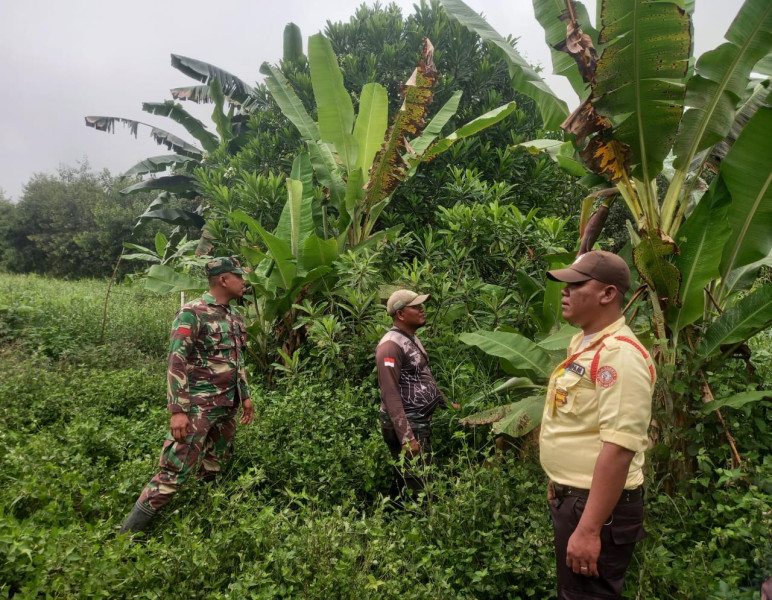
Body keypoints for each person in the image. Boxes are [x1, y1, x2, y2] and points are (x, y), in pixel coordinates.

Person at [540, 250, 655, 599]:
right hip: (575, 499)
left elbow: (619, 449)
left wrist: (589, 529)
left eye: (575, 284)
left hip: (597, 510)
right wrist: (558, 480)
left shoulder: (619, 355)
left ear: (607, 294)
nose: (564, 291)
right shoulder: (584, 342)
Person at [119, 257, 255, 535]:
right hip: (198, 408)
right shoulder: (192, 313)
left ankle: (204, 520)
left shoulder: (234, 316)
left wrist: (246, 396)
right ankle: (125, 538)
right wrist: (178, 410)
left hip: (226, 405)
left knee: (215, 463)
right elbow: (176, 361)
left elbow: (237, 361)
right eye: (239, 277)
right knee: (173, 472)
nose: (244, 282)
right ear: (223, 279)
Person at [375, 289, 458, 502]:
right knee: (422, 489)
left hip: (419, 423)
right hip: (408, 426)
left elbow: (423, 376)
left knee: (411, 481)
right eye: (416, 306)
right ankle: (420, 525)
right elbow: (390, 393)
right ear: (400, 314)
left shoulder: (410, 338)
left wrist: (446, 404)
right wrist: (407, 437)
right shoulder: (389, 346)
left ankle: (395, 516)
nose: (422, 309)